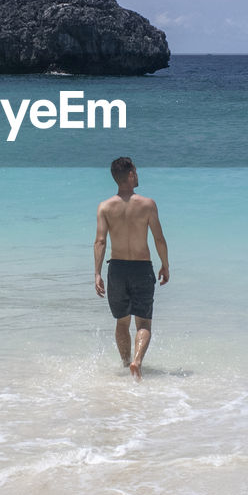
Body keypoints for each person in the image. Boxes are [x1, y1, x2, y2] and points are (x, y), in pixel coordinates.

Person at [93, 156, 169, 380]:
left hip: (116, 269)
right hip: (141, 268)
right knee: (143, 321)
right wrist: (165, 264)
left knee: (122, 321)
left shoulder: (105, 207)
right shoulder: (147, 204)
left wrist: (97, 273)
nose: (137, 174)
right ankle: (137, 362)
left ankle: (126, 365)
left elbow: (100, 241)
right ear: (129, 175)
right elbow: (159, 239)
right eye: (135, 171)